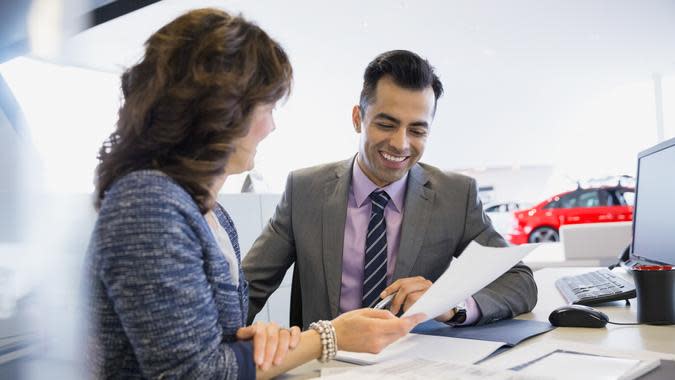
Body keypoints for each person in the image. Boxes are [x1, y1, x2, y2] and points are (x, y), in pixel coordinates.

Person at [85, 9, 425, 380]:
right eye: (266, 107)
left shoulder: (212, 214)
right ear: (218, 111)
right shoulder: (148, 206)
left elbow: (216, 344)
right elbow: (192, 374)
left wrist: (263, 341)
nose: (271, 125)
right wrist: (330, 337)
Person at [243, 50, 538, 329]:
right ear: (358, 119)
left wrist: (450, 306)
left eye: (417, 130)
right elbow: (246, 292)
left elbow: (519, 280)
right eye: (387, 124)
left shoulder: (455, 197)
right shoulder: (304, 191)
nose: (401, 143)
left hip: (415, 363)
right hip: (327, 364)